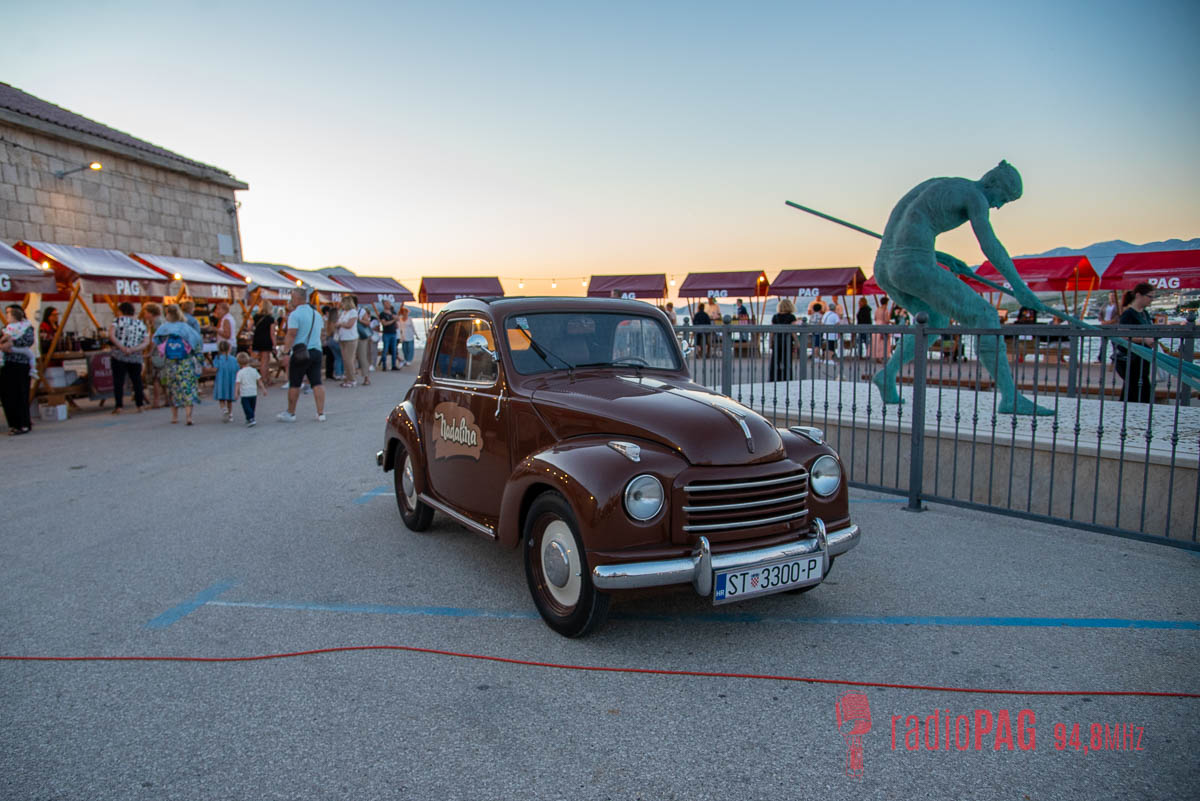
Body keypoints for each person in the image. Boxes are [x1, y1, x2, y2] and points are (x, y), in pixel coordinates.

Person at [871, 160, 1051, 414]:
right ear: (994, 183)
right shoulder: (975, 196)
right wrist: (1020, 288)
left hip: (884, 266)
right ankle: (1010, 398)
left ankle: (887, 375)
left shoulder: (942, 184)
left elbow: (909, 228)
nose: (998, 206)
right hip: (912, 263)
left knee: (935, 320)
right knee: (986, 316)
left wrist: (943, 258)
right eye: (1004, 199)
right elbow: (989, 244)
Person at [277, 287, 326, 422]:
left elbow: (291, 334)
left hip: (300, 352)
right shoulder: (317, 314)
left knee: (295, 383)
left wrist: (286, 353)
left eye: (292, 297)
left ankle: (291, 412)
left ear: (297, 298)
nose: (291, 300)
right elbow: (322, 333)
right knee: (317, 382)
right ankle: (320, 413)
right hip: (316, 350)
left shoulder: (295, 315)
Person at [153, 304, 203, 425]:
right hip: (185, 362)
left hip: (171, 363)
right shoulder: (186, 328)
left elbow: (157, 342)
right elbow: (197, 344)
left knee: (173, 389)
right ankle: (188, 417)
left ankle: (174, 416)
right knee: (188, 388)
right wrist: (200, 361)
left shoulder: (164, 328)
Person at [1114, 282, 1157, 404]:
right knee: (1141, 391)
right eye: (1150, 296)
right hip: (1131, 359)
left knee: (1131, 392)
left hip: (1141, 358)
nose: (1152, 300)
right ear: (1139, 295)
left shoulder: (1144, 313)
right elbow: (1123, 335)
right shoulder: (1128, 314)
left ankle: (1125, 416)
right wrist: (1143, 339)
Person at [107, 301, 149, 414]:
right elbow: (146, 341)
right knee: (137, 380)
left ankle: (119, 406)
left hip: (119, 355)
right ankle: (140, 405)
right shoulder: (140, 323)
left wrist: (122, 347)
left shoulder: (117, 321)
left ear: (120, 311)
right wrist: (133, 349)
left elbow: (111, 335)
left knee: (119, 381)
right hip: (135, 355)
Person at [0, 304, 35, 435]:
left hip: (21, 364)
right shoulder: (6, 328)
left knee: (20, 394)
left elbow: (28, 341)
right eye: (7, 313)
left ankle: (24, 424)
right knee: (7, 395)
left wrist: (12, 343)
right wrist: (4, 345)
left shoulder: (26, 327)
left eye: (10, 313)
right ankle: (13, 424)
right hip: (7, 363)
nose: (8, 315)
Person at [142, 302, 167, 409]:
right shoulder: (163, 320)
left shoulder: (155, 323)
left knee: (156, 378)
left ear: (151, 313)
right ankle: (167, 399)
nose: (145, 315)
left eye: (146, 313)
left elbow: (154, 339)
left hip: (158, 352)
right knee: (164, 376)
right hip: (165, 351)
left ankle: (156, 401)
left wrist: (149, 352)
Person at [234, 351, 266, 426]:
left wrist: (236, 392)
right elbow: (259, 380)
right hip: (253, 392)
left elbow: (237, 383)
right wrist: (263, 389)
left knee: (246, 406)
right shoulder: (254, 370)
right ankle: (250, 417)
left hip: (245, 393)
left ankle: (251, 418)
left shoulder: (240, 372)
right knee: (252, 406)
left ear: (239, 363)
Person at [769, 298, 797, 381]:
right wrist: (796, 342)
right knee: (787, 361)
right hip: (787, 342)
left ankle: (774, 378)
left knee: (775, 361)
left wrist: (770, 342)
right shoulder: (791, 317)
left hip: (777, 341)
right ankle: (787, 378)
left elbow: (772, 332)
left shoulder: (775, 317)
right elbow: (793, 331)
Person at [336, 295, 361, 387]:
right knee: (345, 359)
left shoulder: (353, 312)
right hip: (342, 338)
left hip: (351, 338)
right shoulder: (343, 312)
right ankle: (347, 378)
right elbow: (339, 323)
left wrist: (341, 324)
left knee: (349, 359)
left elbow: (349, 324)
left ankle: (352, 379)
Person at [212, 340, 239, 422]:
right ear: (229, 348)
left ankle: (224, 409)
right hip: (231, 380)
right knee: (229, 399)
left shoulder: (218, 358)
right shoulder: (234, 359)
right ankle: (230, 414)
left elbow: (215, 369)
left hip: (221, 380)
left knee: (221, 397)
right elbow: (237, 370)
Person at [252, 300, 276, 386]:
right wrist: (274, 345)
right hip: (266, 340)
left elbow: (249, 327)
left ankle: (265, 378)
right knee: (265, 361)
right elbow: (272, 333)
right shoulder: (270, 319)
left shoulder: (255, 316)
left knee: (262, 360)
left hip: (257, 339)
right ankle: (264, 379)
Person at [1097, 289, 1122, 364]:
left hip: (1114, 326)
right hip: (1104, 326)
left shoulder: (1118, 305)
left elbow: (1118, 316)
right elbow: (1100, 314)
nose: (1112, 297)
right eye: (1111, 296)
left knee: (1114, 343)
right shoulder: (1105, 305)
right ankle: (1101, 359)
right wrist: (1103, 321)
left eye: (1114, 296)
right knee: (1103, 343)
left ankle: (1114, 359)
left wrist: (1110, 322)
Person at [357, 302, 376, 383]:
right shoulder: (344, 311)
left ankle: (366, 377)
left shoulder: (360, 311)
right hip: (350, 337)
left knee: (363, 356)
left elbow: (368, 323)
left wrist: (359, 320)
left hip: (361, 336)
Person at [378, 300, 399, 370]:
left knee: (394, 350)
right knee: (385, 349)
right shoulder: (382, 314)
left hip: (393, 333)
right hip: (386, 333)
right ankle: (384, 365)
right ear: (384, 305)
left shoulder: (393, 312)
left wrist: (394, 319)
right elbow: (384, 323)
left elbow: (398, 319)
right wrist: (393, 320)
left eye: (389, 303)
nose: (389, 305)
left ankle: (394, 365)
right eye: (387, 303)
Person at [871, 296, 892, 362]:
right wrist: (892, 322)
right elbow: (886, 319)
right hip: (883, 326)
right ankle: (882, 356)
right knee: (883, 342)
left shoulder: (877, 309)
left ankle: (877, 356)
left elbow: (875, 318)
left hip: (877, 325)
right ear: (886, 303)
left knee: (876, 342)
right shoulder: (885, 310)